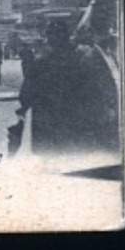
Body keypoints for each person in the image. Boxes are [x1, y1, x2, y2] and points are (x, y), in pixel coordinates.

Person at [17, 20, 118, 154]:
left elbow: (25, 96)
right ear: (68, 36)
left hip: (48, 129)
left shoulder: (39, 63)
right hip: (77, 127)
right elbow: (95, 93)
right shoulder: (83, 60)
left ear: (48, 38)